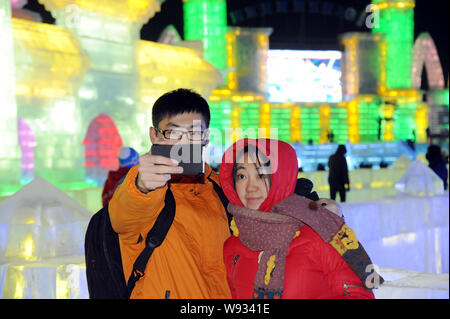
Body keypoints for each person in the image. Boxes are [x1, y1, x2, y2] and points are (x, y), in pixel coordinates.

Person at [108, 88, 231, 299]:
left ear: (206, 137)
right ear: (154, 135)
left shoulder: (222, 189)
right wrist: (141, 186)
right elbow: (122, 219)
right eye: (173, 133)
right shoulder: (144, 187)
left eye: (193, 133)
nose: (184, 142)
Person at [220, 138, 379, 299]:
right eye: (241, 176)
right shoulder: (232, 246)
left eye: (261, 175)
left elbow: (358, 295)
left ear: (280, 177)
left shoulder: (319, 233)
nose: (250, 187)